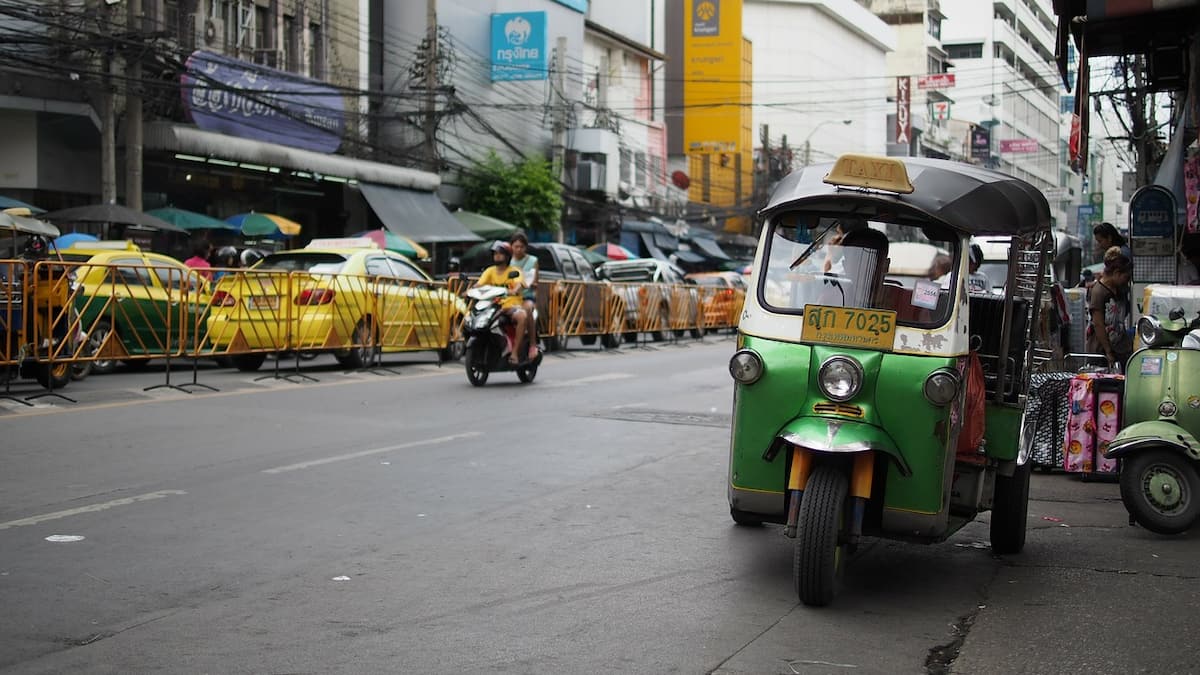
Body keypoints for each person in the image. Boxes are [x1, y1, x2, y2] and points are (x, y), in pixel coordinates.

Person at [474, 240, 537, 364]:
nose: (497, 255)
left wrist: (514, 290)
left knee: (522, 316)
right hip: (493, 306)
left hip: (511, 305)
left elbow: (519, 283)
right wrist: (470, 291)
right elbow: (479, 284)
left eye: (500, 253)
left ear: (507, 256)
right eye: (495, 253)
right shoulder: (489, 271)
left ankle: (514, 353)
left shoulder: (514, 271)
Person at [1086, 245, 1133, 370]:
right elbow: (1098, 324)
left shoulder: (1119, 289)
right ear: (1116, 273)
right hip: (1101, 352)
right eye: (1126, 278)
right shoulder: (1099, 292)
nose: (1126, 282)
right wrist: (1108, 351)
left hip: (1119, 347)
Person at [509, 232, 539, 356]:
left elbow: (534, 280)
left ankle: (532, 344)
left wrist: (527, 285)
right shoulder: (508, 261)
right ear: (511, 247)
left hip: (527, 296)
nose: (518, 249)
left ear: (525, 247)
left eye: (521, 246)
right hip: (510, 297)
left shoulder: (533, 261)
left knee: (527, 310)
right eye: (516, 246)